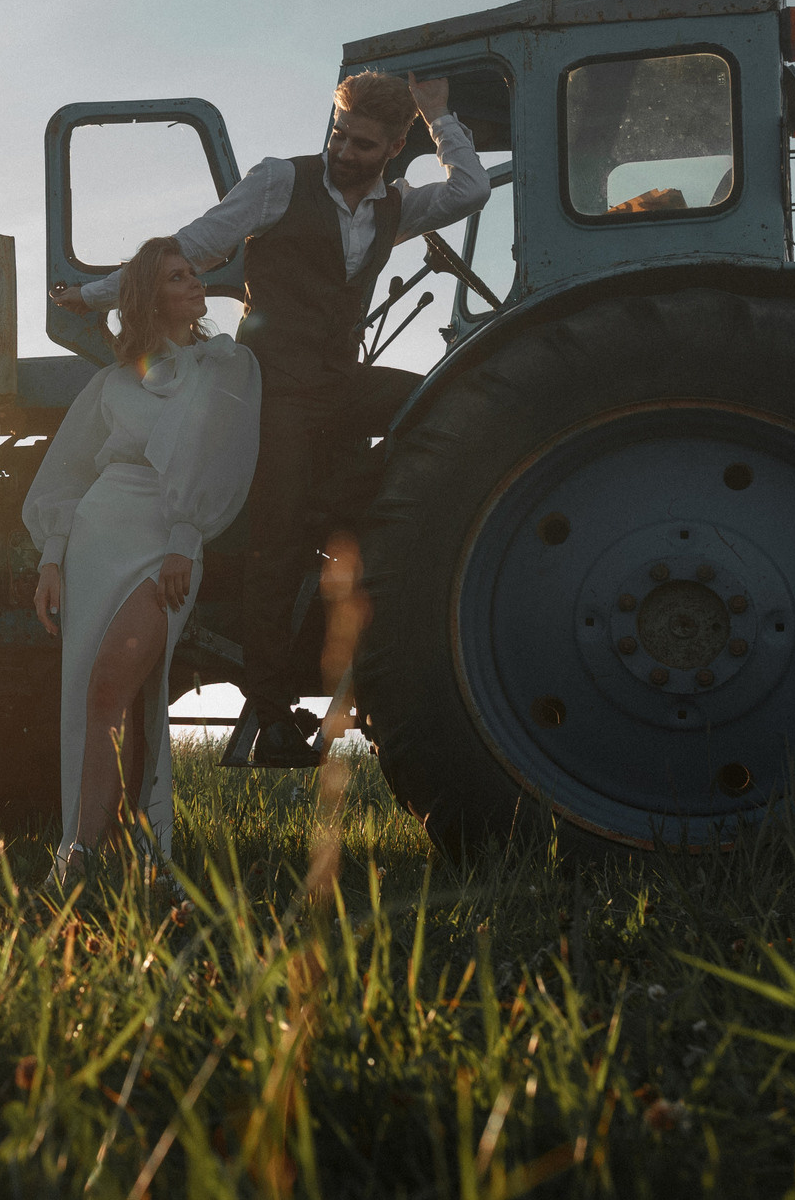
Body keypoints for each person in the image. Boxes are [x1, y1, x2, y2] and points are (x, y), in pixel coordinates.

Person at [51, 71, 490, 765]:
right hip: (273, 387)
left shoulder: (393, 208)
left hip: (338, 381)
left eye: (364, 143)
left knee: (441, 406)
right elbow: (191, 245)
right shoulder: (279, 182)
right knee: (277, 540)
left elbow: (469, 189)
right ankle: (268, 712)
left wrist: (440, 115)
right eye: (340, 134)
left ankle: (368, 527)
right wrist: (93, 293)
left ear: (395, 146)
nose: (345, 150)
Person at [23, 238, 260, 882]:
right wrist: (50, 559)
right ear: (150, 296)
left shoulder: (224, 366)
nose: (194, 283)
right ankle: (116, 856)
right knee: (104, 699)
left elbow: (219, 460)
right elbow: (66, 475)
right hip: (99, 535)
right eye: (178, 277)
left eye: (192, 273)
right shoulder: (110, 384)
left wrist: (186, 537)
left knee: (116, 687)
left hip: (168, 540)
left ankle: (85, 854)